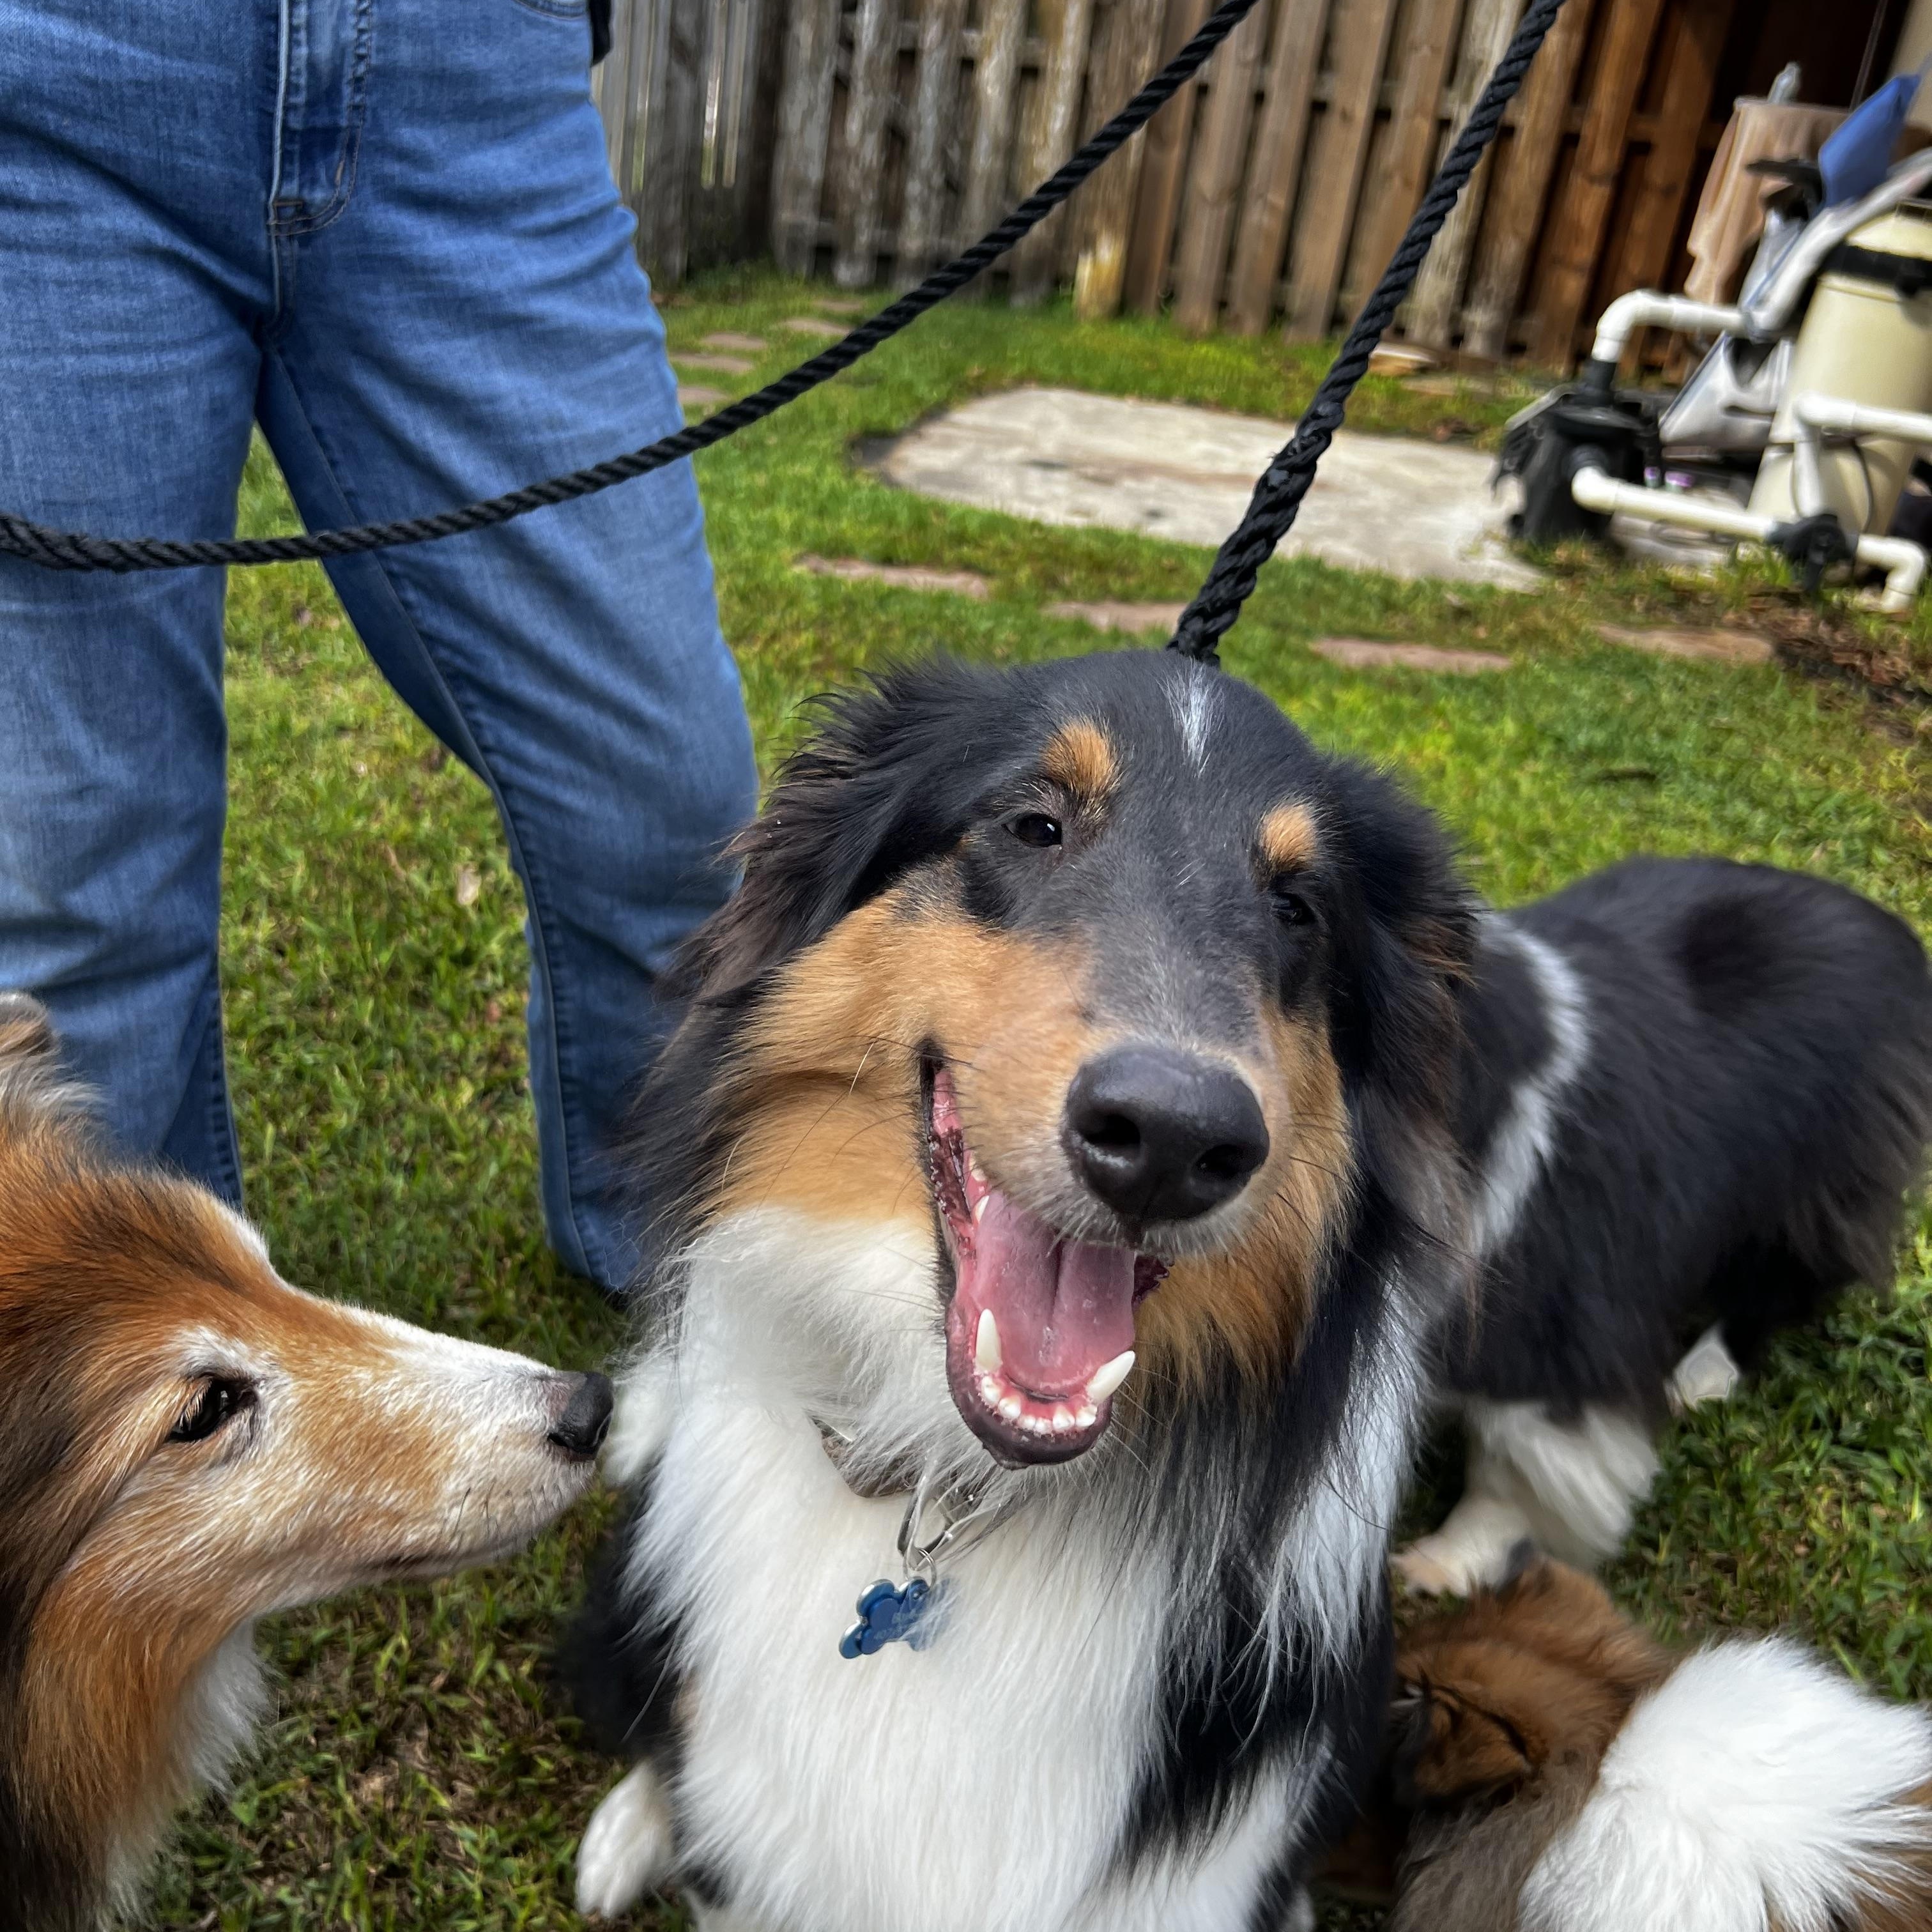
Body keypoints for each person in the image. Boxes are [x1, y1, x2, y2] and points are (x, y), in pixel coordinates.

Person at [0, 0, 758, 1294]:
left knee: (666, 798)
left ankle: (693, 1290)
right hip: (52, 74)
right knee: (83, 908)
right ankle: (165, 1383)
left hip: (471, 78)